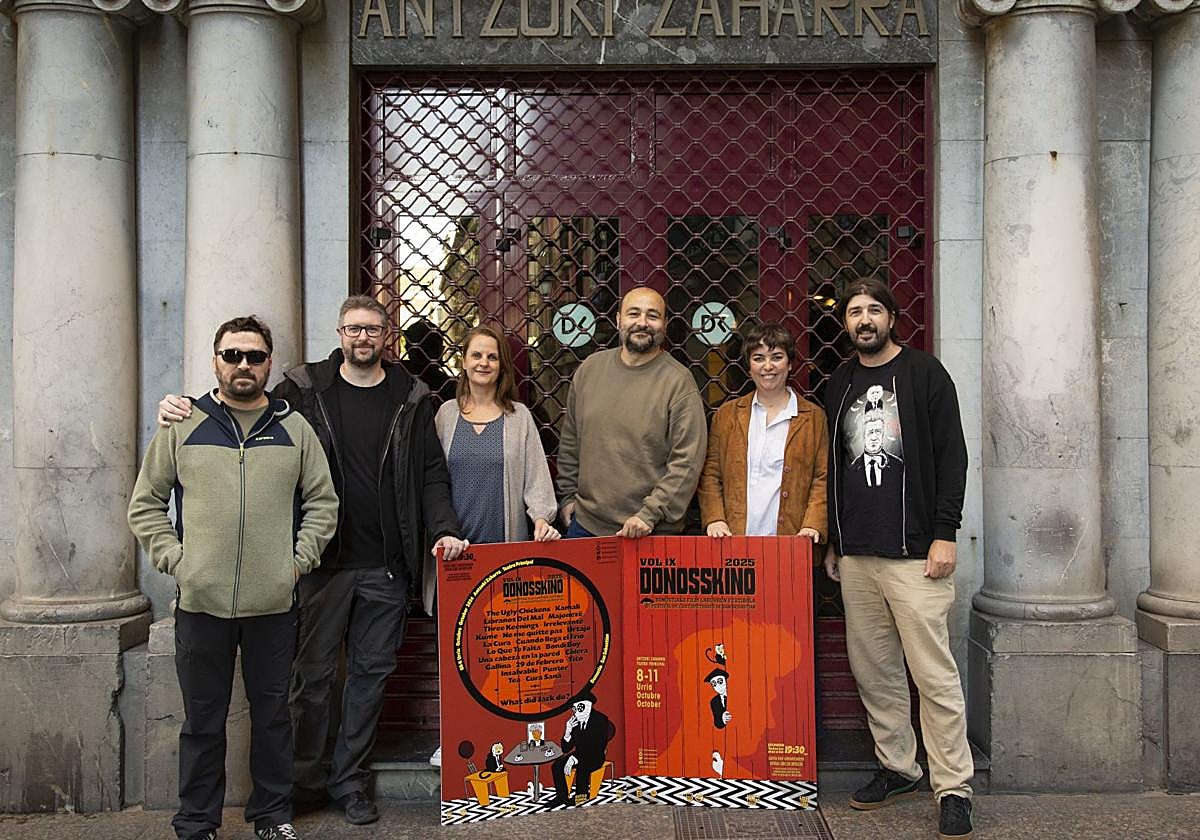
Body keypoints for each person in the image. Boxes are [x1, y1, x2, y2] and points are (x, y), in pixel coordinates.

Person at [156, 296, 468, 827]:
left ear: (385, 334)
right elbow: (239, 405)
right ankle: (303, 782)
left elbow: (431, 474)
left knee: (370, 677)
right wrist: (180, 405)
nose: (363, 338)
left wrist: (442, 530)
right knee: (312, 678)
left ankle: (349, 782)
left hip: (386, 567)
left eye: (372, 329)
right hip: (321, 566)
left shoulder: (410, 396)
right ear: (340, 333)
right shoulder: (302, 390)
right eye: (353, 329)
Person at [129, 316, 339, 840]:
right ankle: (197, 822)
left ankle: (271, 817)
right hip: (200, 604)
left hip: (274, 603)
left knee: (272, 719)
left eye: (254, 356)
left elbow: (323, 503)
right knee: (202, 724)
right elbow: (145, 504)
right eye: (232, 355)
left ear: (269, 363)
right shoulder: (182, 425)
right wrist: (179, 561)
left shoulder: (294, 429)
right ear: (215, 361)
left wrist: (296, 562)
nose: (243, 365)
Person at [821, 278, 973, 840]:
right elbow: (835, 467)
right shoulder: (839, 382)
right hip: (858, 553)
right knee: (876, 672)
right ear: (847, 323)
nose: (864, 319)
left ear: (892, 317)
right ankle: (898, 767)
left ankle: (953, 785)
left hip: (916, 553)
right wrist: (836, 541)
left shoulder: (924, 373)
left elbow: (953, 457)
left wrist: (945, 532)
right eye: (855, 311)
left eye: (873, 310)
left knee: (932, 674)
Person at [428, 324, 559, 766]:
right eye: (476, 355)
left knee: (501, 648)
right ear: (462, 361)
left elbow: (537, 478)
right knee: (455, 650)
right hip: (454, 554)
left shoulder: (518, 416)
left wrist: (542, 517)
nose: (484, 363)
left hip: (502, 550)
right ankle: (455, 735)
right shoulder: (445, 415)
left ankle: (503, 735)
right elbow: (432, 481)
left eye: (493, 357)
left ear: (502, 366)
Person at [557, 286, 707, 538]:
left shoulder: (678, 382)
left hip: (652, 531)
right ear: (618, 320)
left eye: (652, 315)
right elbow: (571, 440)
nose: (642, 323)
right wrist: (567, 497)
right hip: (586, 526)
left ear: (664, 324)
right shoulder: (590, 370)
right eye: (633, 314)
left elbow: (687, 462)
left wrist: (649, 515)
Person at [698, 321, 828, 540]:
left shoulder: (813, 417)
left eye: (776, 357)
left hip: (793, 541)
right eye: (758, 358)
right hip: (733, 540)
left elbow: (822, 477)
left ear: (789, 364)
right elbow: (711, 473)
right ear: (749, 367)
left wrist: (813, 524)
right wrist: (715, 518)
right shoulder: (727, 415)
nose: (768, 366)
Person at [547, 692, 612, 807]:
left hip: (595, 756)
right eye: (574, 709)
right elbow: (566, 749)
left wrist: (574, 759)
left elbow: (596, 748)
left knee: (583, 767)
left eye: (580, 708)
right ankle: (561, 796)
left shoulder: (600, 720)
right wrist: (568, 732)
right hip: (578, 755)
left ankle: (581, 796)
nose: (576, 712)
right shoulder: (575, 723)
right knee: (557, 765)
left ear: (589, 705)